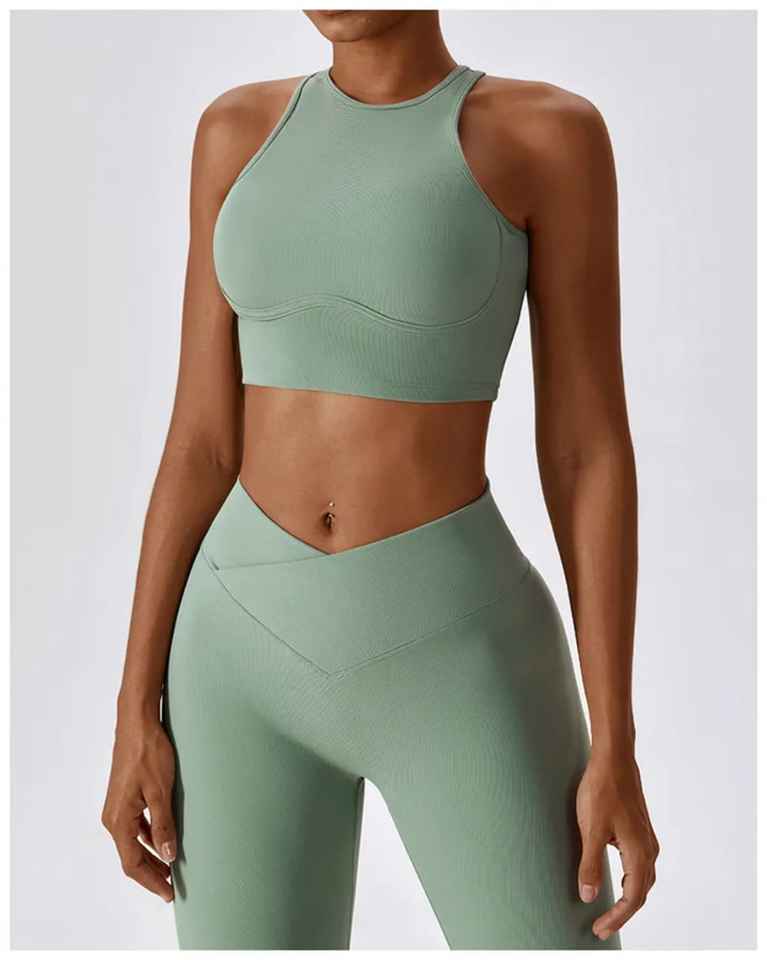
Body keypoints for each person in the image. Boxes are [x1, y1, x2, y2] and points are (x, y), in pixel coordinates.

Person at [101, 9, 659, 950]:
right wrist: (133, 711)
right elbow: (200, 443)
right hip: (236, 658)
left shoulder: (547, 135)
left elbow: (585, 450)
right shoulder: (235, 132)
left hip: (456, 648)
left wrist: (616, 740)